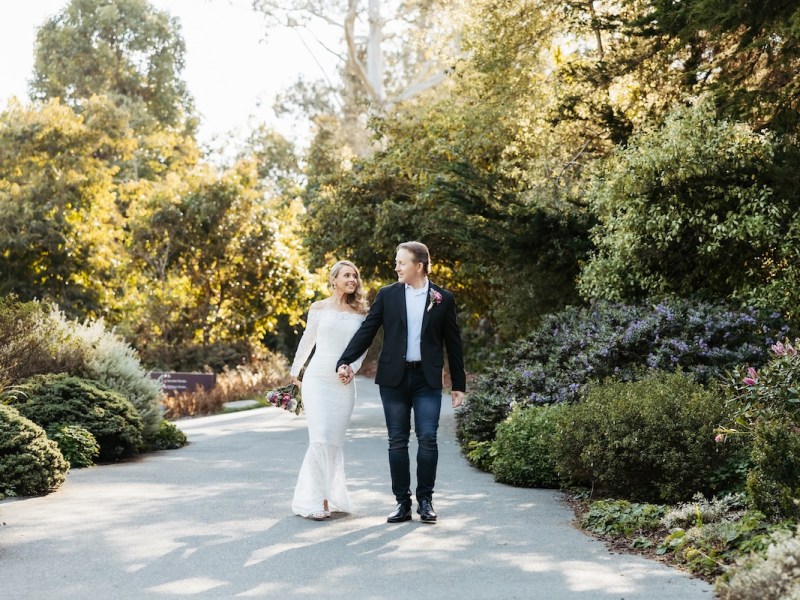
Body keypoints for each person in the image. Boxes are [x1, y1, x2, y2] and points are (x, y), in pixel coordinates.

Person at [337, 241, 465, 524]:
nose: (396, 267)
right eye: (396, 262)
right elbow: (367, 331)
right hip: (394, 378)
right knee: (397, 440)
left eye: (401, 262)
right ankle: (402, 503)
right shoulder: (387, 295)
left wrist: (459, 384)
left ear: (418, 266)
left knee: (428, 438)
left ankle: (426, 501)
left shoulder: (443, 298)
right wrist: (345, 361)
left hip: (427, 379)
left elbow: (453, 344)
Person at [289, 260, 369, 520]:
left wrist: (352, 369)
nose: (352, 280)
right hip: (317, 378)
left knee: (333, 441)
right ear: (334, 279)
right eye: (347, 275)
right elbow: (307, 340)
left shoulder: (361, 313)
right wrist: (296, 372)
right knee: (319, 436)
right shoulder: (319, 307)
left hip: (343, 382)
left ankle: (329, 496)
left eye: (355, 276)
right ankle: (313, 500)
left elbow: (362, 348)